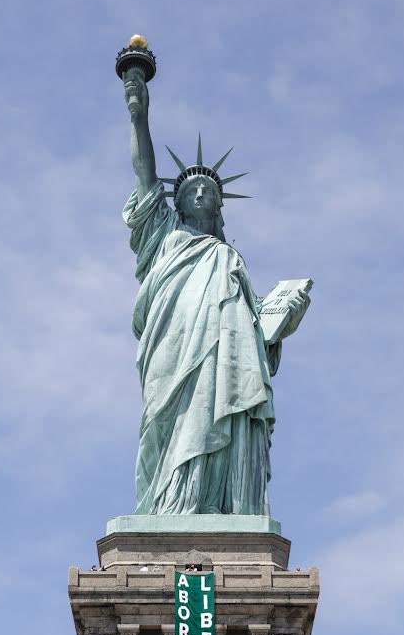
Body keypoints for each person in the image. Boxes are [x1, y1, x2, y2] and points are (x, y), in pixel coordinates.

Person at [121, 65, 309, 516]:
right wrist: (138, 115)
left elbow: (257, 330)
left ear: (220, 207)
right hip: (174, 349)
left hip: (227, 358)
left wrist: (280, 318)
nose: (202, 194)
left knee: (224, 409)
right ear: (177, 202)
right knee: (173, 421)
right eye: (193, 189)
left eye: (210, 190)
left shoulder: (231, 262)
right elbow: (145, 175)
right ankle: (171, 508)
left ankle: (219, 508)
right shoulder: (163, 237)